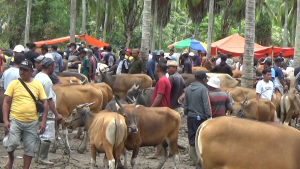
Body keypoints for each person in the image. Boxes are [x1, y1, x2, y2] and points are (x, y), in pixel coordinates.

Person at [2, 60, 48, 169]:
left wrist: (43, 121)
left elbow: (45, 103)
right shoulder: (14, 83)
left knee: (30, 148)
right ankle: (11, 158)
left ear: (31, 71)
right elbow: (6, 102)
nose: (22, 72)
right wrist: (5, 120)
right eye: (21, 69)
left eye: (25, 70)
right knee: (12, 143)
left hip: (32, 121)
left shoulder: (37, 84)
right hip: (15, 119)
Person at [34, 58, 62, 165]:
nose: (54, 68)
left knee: (39, 133)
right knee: (48, 134)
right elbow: (49, 99)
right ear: (50, 67)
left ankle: (37, 156)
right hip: (47, 110)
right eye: (54, 66)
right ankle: (43, 158)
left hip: (38, 109)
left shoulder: (38, 76)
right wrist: (56, 114)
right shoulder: (46, 80)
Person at [184, 71, 212, 166]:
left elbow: (185, 105)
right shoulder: (204, 89)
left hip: (191, 117)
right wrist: (209, 117)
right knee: (201, 138)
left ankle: (194, 160)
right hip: (201, 118)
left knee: (192, 137)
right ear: (203, 79)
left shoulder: (188, 89)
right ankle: (200, 160)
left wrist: (187, 113)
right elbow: (206, 104)